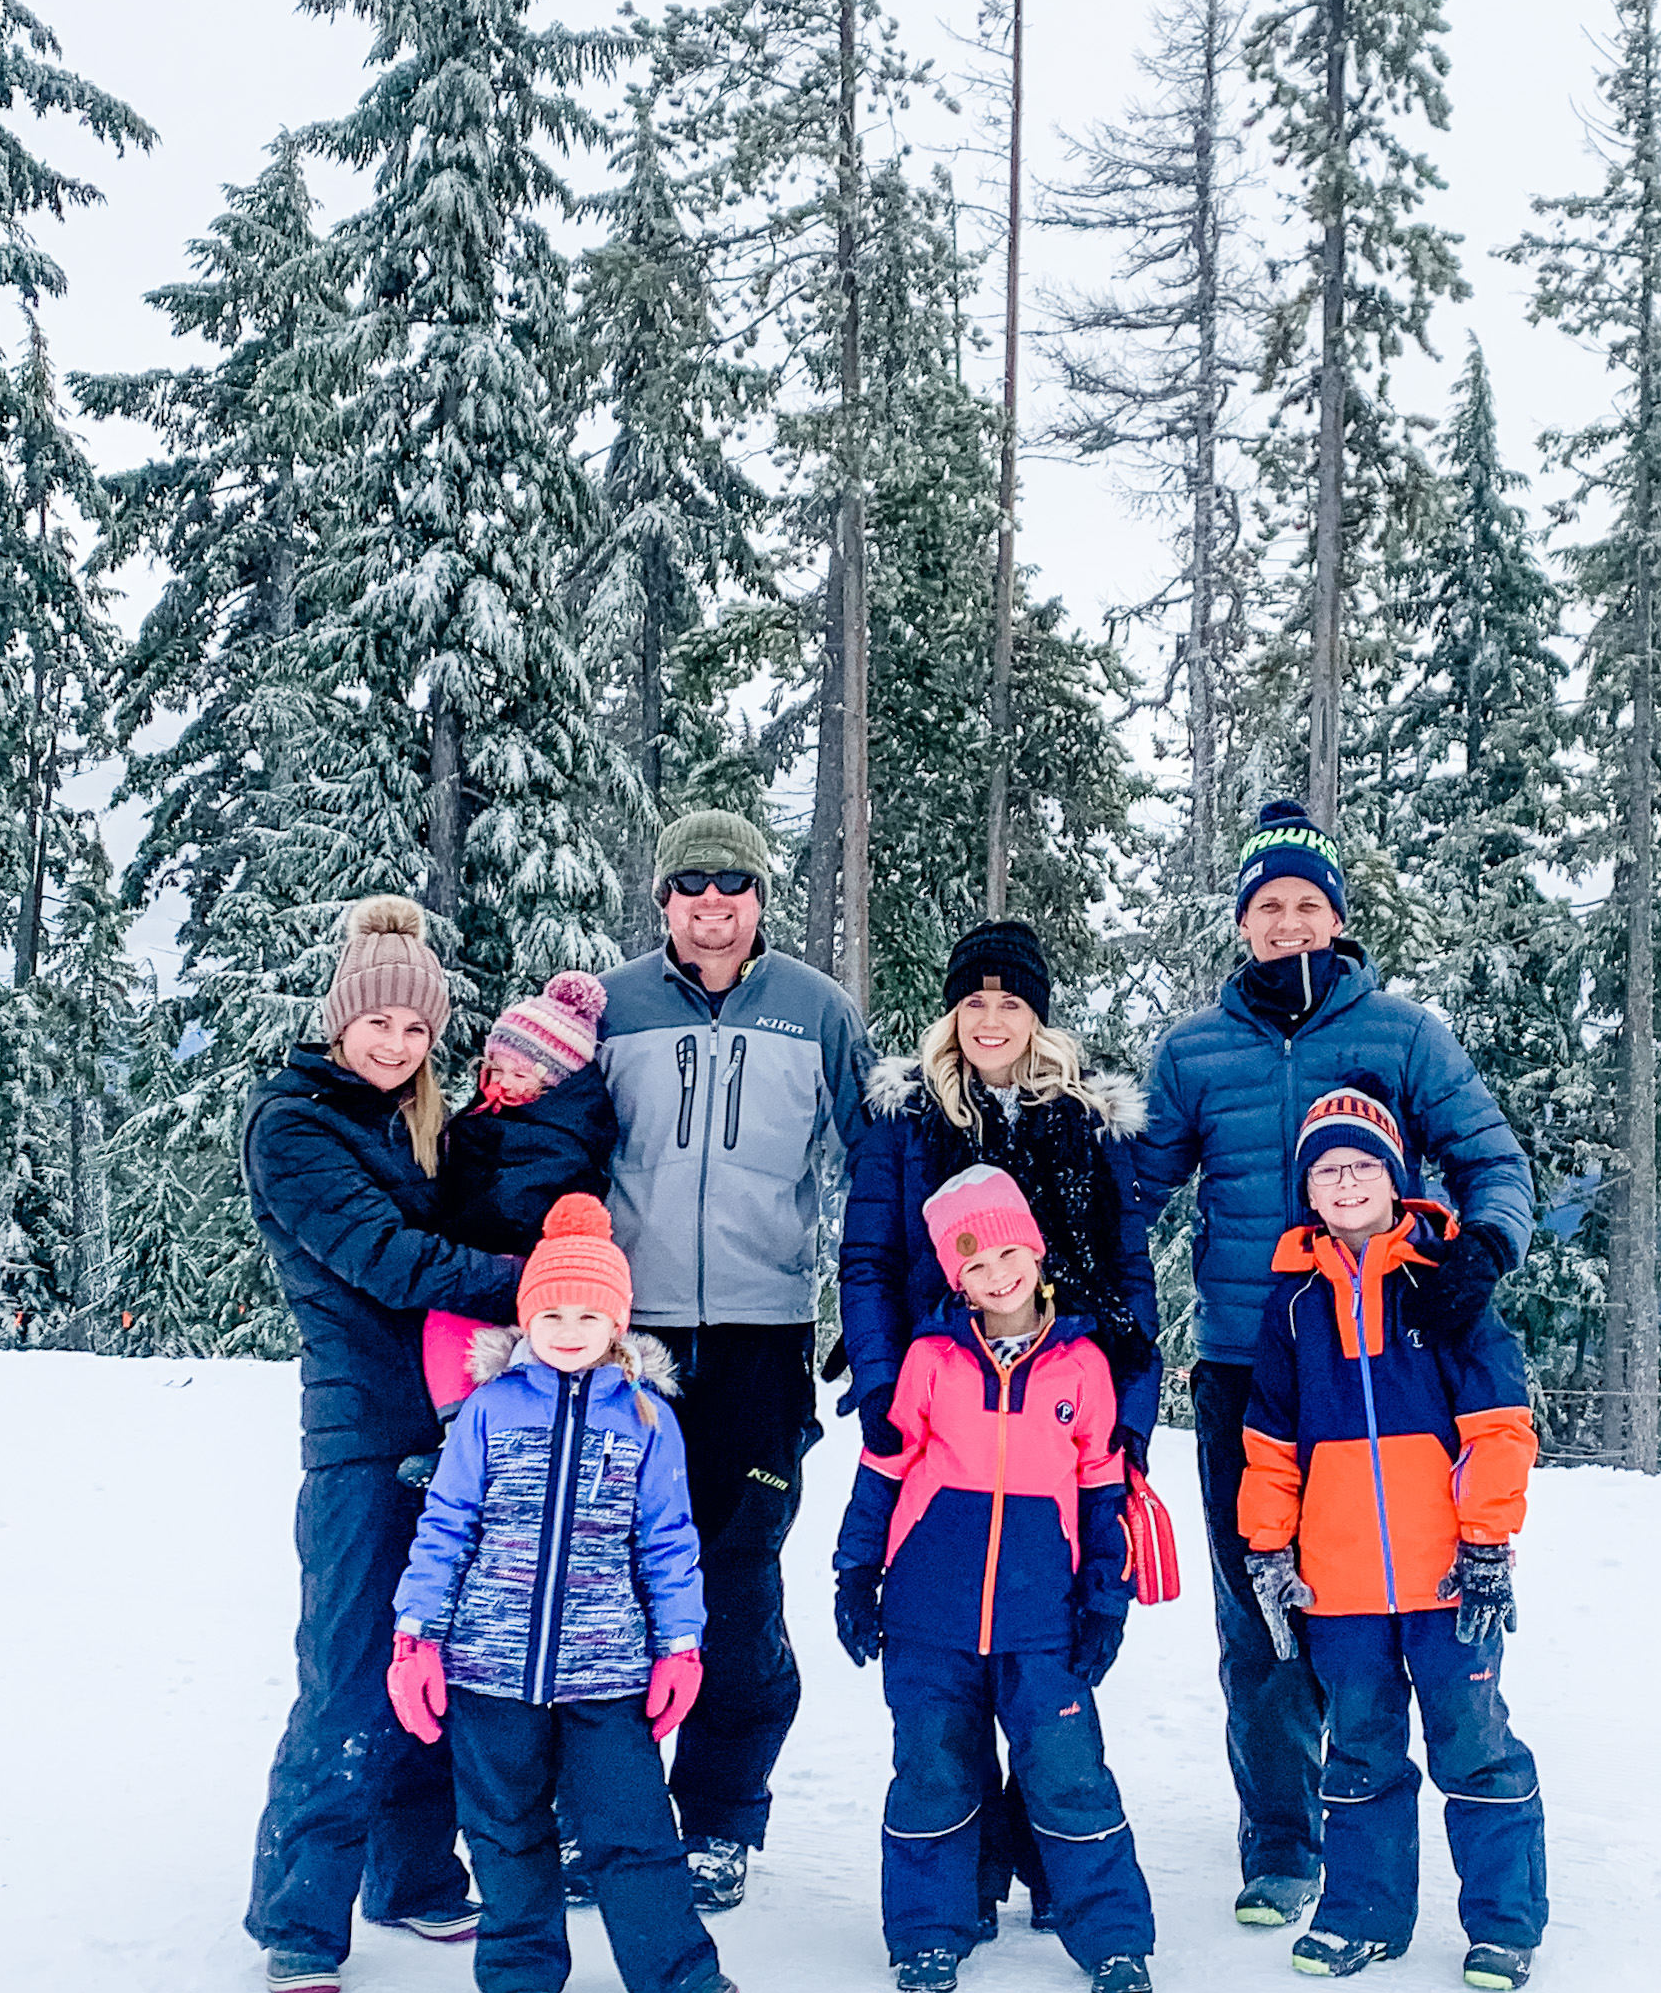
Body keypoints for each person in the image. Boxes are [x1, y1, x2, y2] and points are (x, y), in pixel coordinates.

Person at [1133, 801, 1537, 1929]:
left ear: (1339, 918)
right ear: (1242, 925)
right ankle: (1280, 1839)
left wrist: (1482, 1248)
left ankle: (1443, 1786)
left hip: (1394, 1352)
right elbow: (1135, 1192)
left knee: (1413, 1586)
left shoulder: (1402, 1036)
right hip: (1245, 1364)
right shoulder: (1193, 1050)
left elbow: (1487, 1154)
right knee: (1260, 1601)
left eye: (1307, 903)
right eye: (1267, 907)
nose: (1288, 922)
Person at [839, 918, 1162, 1930]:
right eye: (972, 999)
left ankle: (1059, 1868)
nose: (989, 1018)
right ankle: (966, 1874)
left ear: (1037, 1015)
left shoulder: (1083, 1120)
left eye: (1010, 1001)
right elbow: (869, 1259)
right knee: (948, 1663)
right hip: (940, 1401)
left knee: (1041, 1653)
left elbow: (1125, 1271)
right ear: (950, 1010)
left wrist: (1129, 1415)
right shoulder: (904, 1116)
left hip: (1061, 1401)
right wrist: (893, 1384)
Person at [240, 897, 525, 1993]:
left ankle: (409, 1872)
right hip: (361, 1435)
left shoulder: (418, 1122)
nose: (397, 1044)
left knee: (434, 1665)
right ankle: (299, 1910)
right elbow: (390, 1259)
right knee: (351, 1672)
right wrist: (532, 1283)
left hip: (449, 1432)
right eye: (379, 1024)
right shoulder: (297, 1123)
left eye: (416, 1029)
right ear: (341, 1019)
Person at [596, 807, 872, 1908]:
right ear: (663, 899)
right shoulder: (609, 1008)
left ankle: (716, 1814)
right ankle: (610, 1808)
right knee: (611, 1578)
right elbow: (554, 1156)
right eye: (691, 884)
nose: (712, 903)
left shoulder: (816, 1010)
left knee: (737, 1577)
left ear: (760, 898)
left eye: (734, 884)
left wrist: (871, 1305)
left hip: (763, 1338)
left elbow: (876, 1163)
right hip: (624, 1344)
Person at [388, 1195, 739, 1993]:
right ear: (527, 1318)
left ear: (617, 1322)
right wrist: (416, 1636)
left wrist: (680, 1646)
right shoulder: (488, 1409)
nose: (570, 1327)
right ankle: (520, 1968)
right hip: (488, 1664)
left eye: (589, 1312)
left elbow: (668, 1538)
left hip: (607, 1666)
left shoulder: (648, 1418)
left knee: (632, 1827)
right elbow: (446, 1526)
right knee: (503, 1826)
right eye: (551, 1311)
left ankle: (673, 1967)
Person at [1238, 1090, 1545, 1989]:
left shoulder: (1442, 1281)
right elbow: (1270, 1446)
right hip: (1339, 1589)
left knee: (1474, 1747)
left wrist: (1488, 1542)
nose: (1344, 1181)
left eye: (1362, 1165)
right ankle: (1364, 1915)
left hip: (1448, 1577)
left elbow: (1499, 1427)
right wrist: (1268, 1549)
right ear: (1308, 1188)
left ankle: (1504, 1921)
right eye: (1327, 1169)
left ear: (1394, 1177)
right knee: (1361, 1752)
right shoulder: (1292, 1306)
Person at [833, 1167, 1154, 1993]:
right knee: (934, 1770)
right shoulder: (930, 1360)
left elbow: (1101, 1489)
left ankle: (1112, 1935)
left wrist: (1103, 1597)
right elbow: (883, 1469)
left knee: (1069, 1771)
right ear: (954, 1275)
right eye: (974, 1262)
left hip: (1043, 1618)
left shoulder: (1082, 1367)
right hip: (929, 1615)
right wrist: (856, 1571)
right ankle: (931, 1930)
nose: (997, 1273)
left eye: (1009, 1252)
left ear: (1036, 1253)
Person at [422, 969, 616, 1412]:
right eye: (496, 1069)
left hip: (523, 1268)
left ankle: (470, 1421)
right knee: (445, 1325)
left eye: (520, 1074)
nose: (504, 1082)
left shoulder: (562, 1133)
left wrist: (455, 1228)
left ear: (554, 1081)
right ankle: (459, 1423)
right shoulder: (488, 1116)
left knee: (459, 1328)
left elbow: (515, 1201)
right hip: (483, 1265)